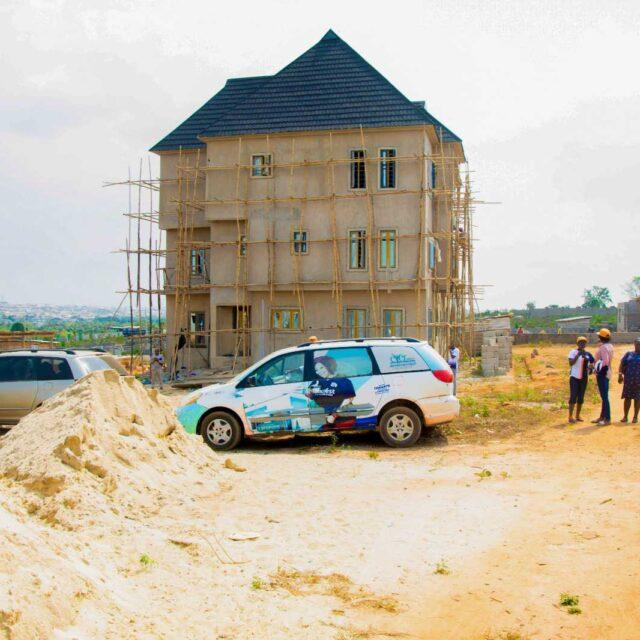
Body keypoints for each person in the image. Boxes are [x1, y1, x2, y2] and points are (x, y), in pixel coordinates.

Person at [567, 336, 594, 424]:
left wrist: (591, 369)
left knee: (581, 397)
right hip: (574, 377)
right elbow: (571, 363)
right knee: (573, 396)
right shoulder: (573, 352)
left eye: (584, 342)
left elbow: (592, 364)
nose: (582, 344)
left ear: (586, 344)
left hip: (584, 378)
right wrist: (578, 355)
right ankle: (570, 416)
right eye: (580, 342)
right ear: (577, 343)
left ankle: (578, 415)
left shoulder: (588, 354)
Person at [593, 328, 614, 426]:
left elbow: (605, 361)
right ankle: (602, 416)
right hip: (608, 372)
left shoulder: (603, 347)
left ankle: (607, 419)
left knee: (604, 397)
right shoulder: (610, 346)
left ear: (601, 337)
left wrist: (598, 369)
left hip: (603, 373)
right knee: (604, 395)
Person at [618, 337, 640, 423]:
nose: (639, 345)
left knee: (637, 399)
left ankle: (635, 417)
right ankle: (625, 417)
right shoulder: (629, 354)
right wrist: (620, 374)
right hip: (628, 381)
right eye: (637, 343)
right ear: (634, 344)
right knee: (627, 398)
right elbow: (622, 364)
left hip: (639, 382)